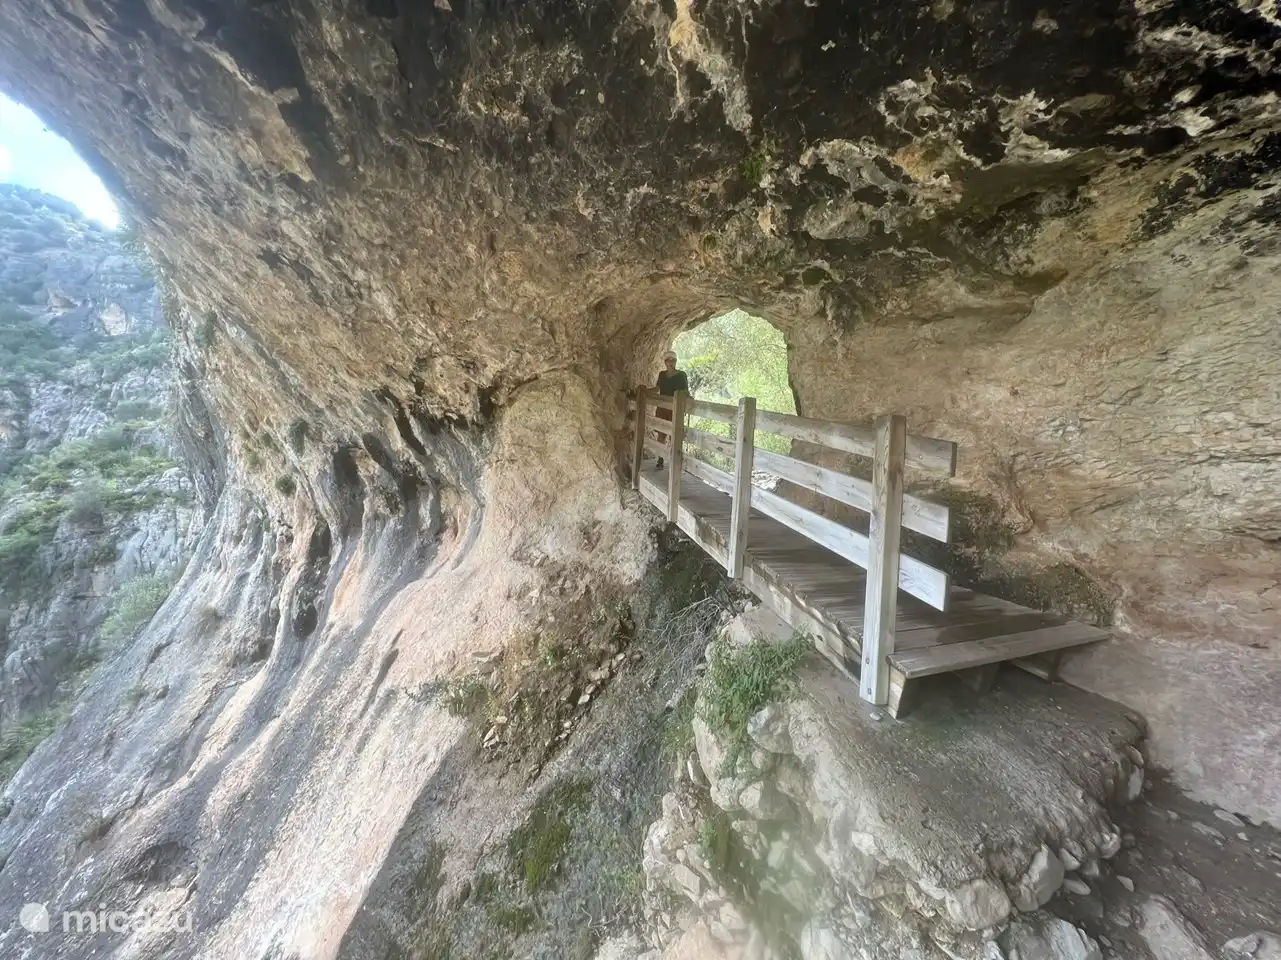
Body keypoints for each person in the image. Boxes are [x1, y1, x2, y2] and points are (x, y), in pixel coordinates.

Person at [653, 349, 689, 470]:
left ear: (676, 361)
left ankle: (674, 461)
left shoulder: (681, 375)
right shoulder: (662, 375)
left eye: (673, 360)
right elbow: (657, 389)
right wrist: (642, 391)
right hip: (662, 408)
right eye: (668, 360)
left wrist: (688, 400)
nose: (670, 362)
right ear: (665, 362)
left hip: (675, 408)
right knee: (661, 434)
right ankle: (661, 459)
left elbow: (685, 391)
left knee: (674, 435)